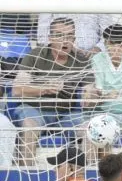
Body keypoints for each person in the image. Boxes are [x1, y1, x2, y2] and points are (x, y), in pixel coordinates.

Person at [11, 17, 98, 167]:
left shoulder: (81, 60)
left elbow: (89, 89)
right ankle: (27, 175)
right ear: (50, 38)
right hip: (34, 109)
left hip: (66, 113)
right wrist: (44, 88)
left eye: (69, 36)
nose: (65, 41)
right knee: (30, 126)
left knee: (92, 128)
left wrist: (89, 96)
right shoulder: (36, 54)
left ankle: (85, 178)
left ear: (74, 39)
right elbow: (17, 90)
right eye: (59, 35)